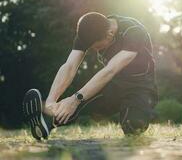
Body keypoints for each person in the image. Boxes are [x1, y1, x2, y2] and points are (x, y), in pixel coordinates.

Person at [22, 12, 158, 140]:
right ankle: (47, 122)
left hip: (140, 87)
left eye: (97, 47)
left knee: (133, 126)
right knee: (78, 101)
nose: (95, 50)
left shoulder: (133, 32)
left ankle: (133, 120)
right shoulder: (88, 32)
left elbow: (110, 70)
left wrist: (76, 98)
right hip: (113, 85)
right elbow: (69, 66)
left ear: (109, 35)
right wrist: (51, 100)